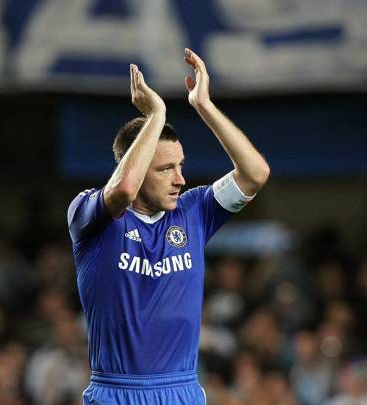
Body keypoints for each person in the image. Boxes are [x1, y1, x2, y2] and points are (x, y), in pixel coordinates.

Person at [66, 48, 270, 404]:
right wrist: (156, 113)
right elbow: (124, 190)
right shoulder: (89, 215)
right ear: (140, 166)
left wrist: (203, 105)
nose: (180, 178)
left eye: (180, 165)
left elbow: (255, 174)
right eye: (166, 169)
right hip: (117, 392)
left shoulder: (193, 211)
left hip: (182, 391)